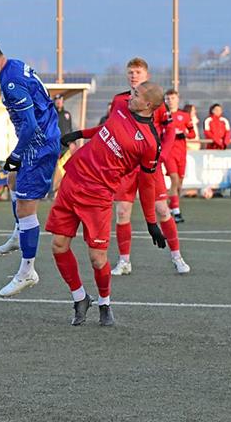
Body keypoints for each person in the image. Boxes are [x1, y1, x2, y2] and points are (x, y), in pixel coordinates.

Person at [50, 82, 167, 326]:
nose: (129, 95)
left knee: (98, 259)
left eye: (135, 94)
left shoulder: (149, 143)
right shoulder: (120, 103)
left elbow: (147, 185)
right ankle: (80, 298)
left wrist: (151, 221)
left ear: (148, 105)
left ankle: (104, 303)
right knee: (59, 245)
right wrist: (81, 134)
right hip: (73, 179)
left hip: (98, 195)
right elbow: (108, 128)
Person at [0, 39, 61, 297]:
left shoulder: (11, 83)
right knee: (12, 181)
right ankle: (19, 233)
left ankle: (27, 271)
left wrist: (17, 155)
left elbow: (30, 126)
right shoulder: (15, 67)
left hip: (37, 144)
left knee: (26, 207)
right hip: (38, 140)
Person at [102, 58, 188, 277]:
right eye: (130, 72)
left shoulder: (154, 100)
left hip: (149, 166)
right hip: (125, 168)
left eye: (138, 72)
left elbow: (169, 131)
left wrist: (163, 155)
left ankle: (177, 256)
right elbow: (111, 129)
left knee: (161, 209)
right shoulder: (119, 100)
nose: (133, 76)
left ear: (146, 75)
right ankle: (124, 261)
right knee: (122, 212)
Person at [164, 89, 196, 223]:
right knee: (174, 179)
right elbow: (157, 131)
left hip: (181, 153)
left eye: (173, 98)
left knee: (179, 184)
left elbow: (192, 133)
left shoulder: (185, 115)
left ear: (178, 99)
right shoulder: (163, 115)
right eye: (168, 99)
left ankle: (170, 208)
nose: (170, 101)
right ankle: (176, 212)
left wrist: (185, 134)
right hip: (168, 152)